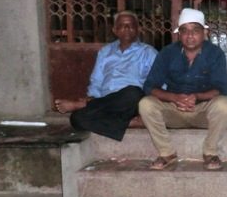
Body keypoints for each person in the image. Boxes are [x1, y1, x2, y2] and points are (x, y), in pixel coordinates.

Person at [139, 8, 227, 170]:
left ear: (204, 32)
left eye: (195, 30)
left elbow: (220, 88)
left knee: (224, 105)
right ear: (179, 34)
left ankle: (210, 152)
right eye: (185, 31)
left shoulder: (215, 54)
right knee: (145, 104)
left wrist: (196, 97)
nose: (190, 35)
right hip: (173, 111)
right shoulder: (167, 53)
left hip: (204, 112)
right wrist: (174, 98)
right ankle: (167, 153)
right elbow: (150, 86)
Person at [54, 11, 157, 141]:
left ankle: (82, 105)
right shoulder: (105, 51)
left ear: (138, 29)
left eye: (131, 25)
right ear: (115, 30)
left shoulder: (148, 52)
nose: (126, 28)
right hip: (105, 102)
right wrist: (92, 96)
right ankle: (132, 123)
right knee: (76, 119)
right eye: (122, 25)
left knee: (133, 92)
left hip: (130, 103)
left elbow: (157, 84)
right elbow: (97, 80)